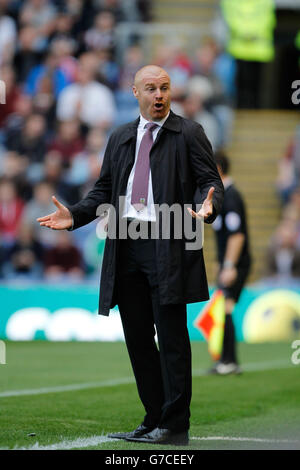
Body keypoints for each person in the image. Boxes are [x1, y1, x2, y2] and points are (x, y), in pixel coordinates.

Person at [37, 65, 224, 446]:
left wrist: (209, 205)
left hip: (169, 241)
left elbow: (210, 182)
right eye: (152, 89)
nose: (160, 96)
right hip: (126, 244)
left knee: (171, 338)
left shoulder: (189, 133)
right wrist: (75, 215)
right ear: (134, 91)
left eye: (166, 88)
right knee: (138, 338)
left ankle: (175, 426)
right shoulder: (121, 136)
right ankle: (154, 417)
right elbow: (104, 190)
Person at [210, 151, 251, 375]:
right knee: (224, 308)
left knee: (226, 307)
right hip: (228, 262)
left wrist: (229, 266)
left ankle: (229, 362)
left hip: (236, 263)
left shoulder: (231, 197)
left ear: (217, 168)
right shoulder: (223, 196)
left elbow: (237, 235)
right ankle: (226, 361)